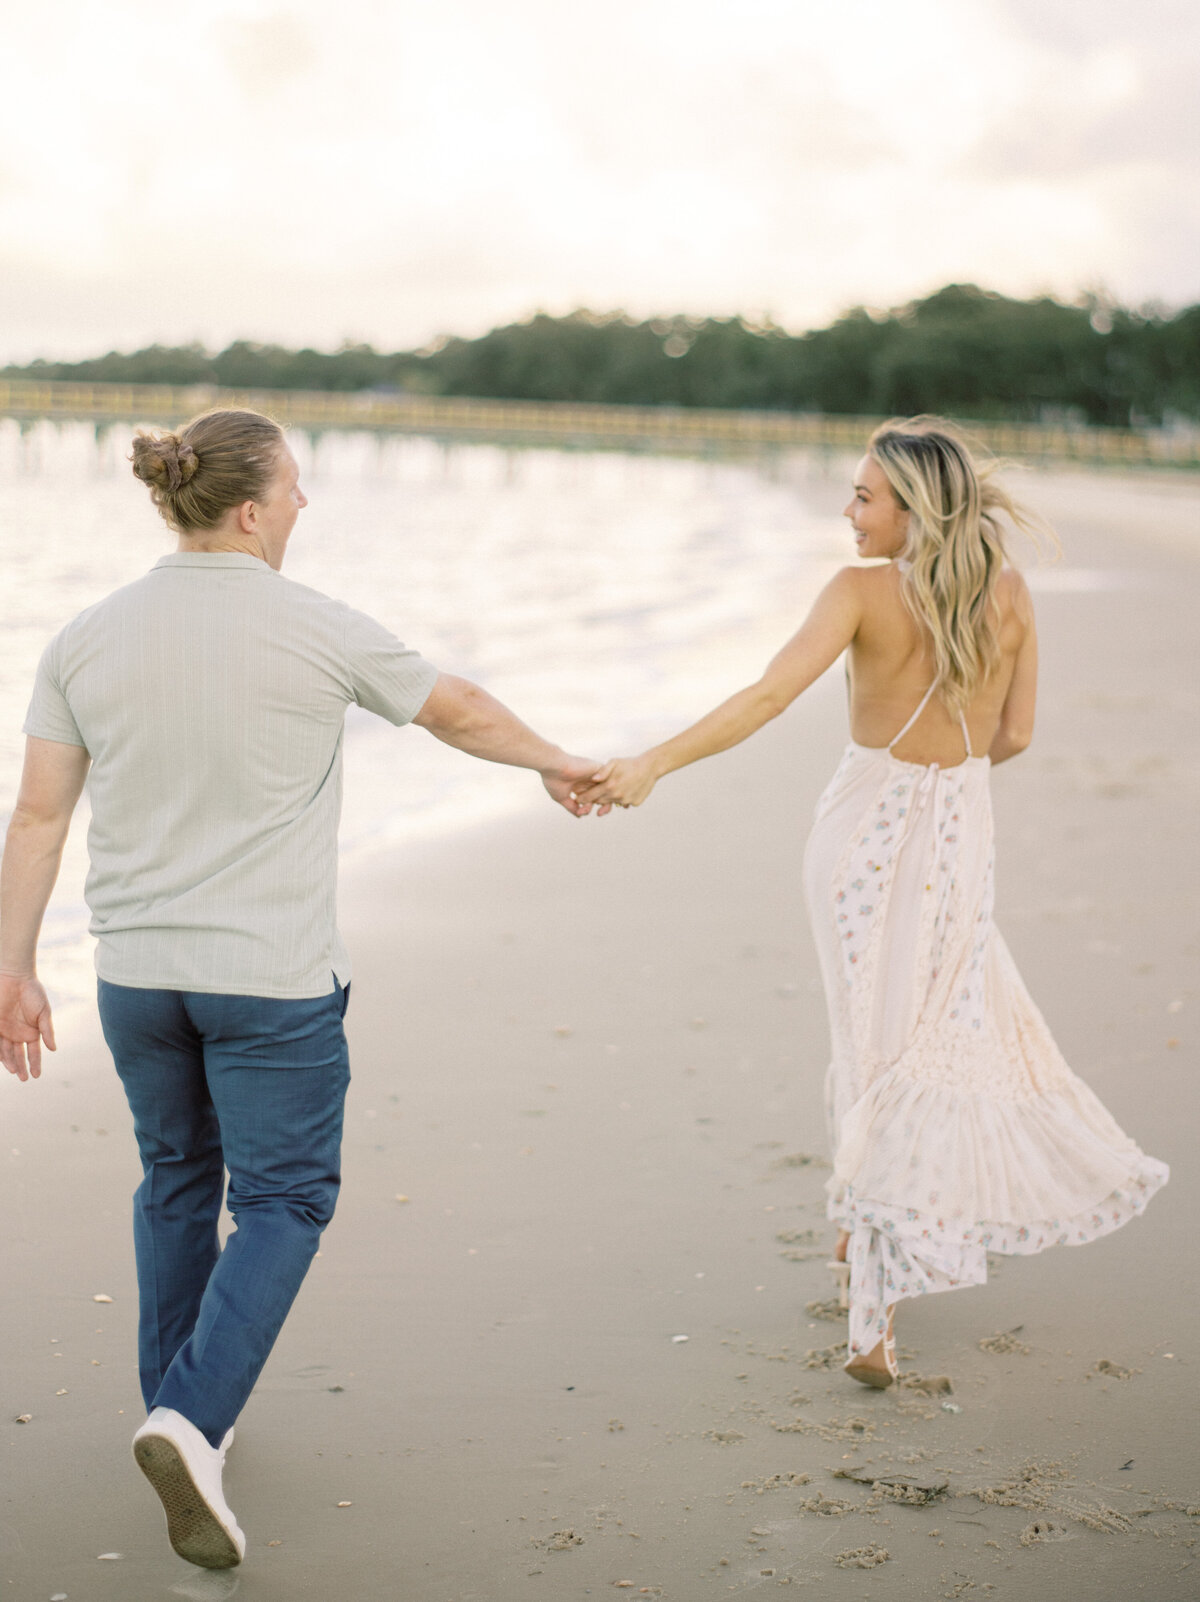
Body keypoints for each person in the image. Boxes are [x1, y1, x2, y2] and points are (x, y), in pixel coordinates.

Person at [0, 408, 599, 1569]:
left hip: (135, 976)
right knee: (283, 1201)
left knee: (177, 1179)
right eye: (296, 489)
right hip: (270, 984)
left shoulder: (86, 634)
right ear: (250, 507)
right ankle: (190, 1417)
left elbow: (36, 814)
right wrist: (562, 761)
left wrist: (13, 966)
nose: (306, 506)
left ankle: (181, 1407)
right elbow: (457, 708)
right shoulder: (314, 625)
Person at [576, 415, 1168, 1388]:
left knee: (872, 1042)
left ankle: (872, 1316)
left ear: (913, 507)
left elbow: (768, 699)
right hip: (958, 835)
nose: (847, 513)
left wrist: (653, 763)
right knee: (917, 1037)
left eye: (863, 497)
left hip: (860, 834)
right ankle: (866, 1237)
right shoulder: (1012, 596)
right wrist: (952, 767)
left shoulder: (857, 594)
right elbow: (1015, 735)